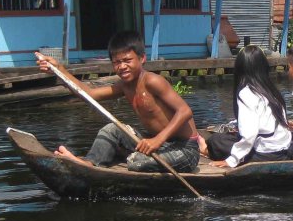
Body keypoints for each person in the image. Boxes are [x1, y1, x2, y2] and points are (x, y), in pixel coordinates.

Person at [35, 30, 200, 172]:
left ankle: (127, 158)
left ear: (142, 58)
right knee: (112, 129)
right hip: (158, 144)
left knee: (137, 163)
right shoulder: (124, 86)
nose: (122, 67)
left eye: (127, 61)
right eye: (117, 62)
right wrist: (60, 71)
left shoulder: (152, 81)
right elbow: (89, 94)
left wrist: (158, 140)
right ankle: (89, 163)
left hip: (185, 149)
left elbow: (185, 111)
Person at [207, 45, 293, 168]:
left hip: (268, 154)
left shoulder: (246, 93)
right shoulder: (271, 89)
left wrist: (232, 160)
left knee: (216, 141)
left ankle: (205, 149)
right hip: (287, 148)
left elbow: (249, 135)